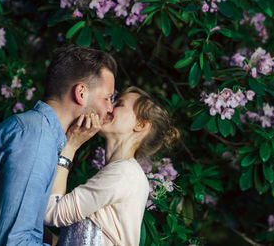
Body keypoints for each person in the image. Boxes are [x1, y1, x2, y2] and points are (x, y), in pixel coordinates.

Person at [0, 45, 117, 246]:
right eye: (107, 98)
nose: (110, 108)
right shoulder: (36, 138)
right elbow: (14, 241)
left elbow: (19, 224)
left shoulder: (35, 131)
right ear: (81, 93)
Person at [44, 86, 180, 246]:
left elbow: (51, 213)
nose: (109, 107)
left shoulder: (124, 174)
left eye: (119, 104)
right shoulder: (123, 173)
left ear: (141, 125)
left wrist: (70, 147)